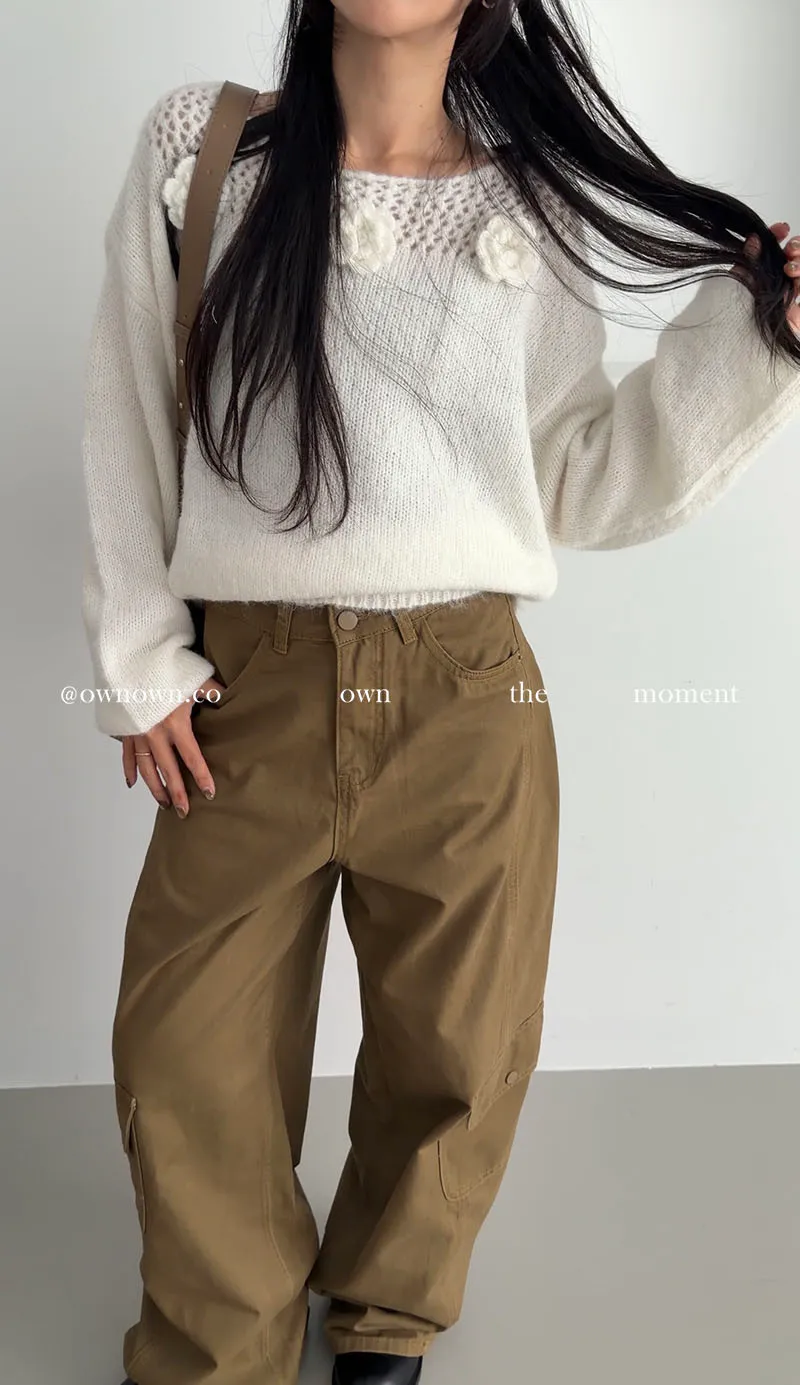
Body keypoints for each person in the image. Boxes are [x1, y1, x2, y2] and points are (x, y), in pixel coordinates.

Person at [79, 2, 800, 1383]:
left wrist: (759, 339)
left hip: (470, 697)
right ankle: (218, 1343)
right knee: (187, 1055)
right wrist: (138, 663)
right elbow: (126, 406)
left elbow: (576, 473)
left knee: (458, 1047)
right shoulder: (205, 149)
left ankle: (388, 1315)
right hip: (249, 692)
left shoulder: (533, 199)